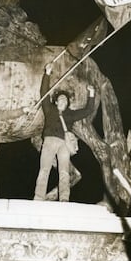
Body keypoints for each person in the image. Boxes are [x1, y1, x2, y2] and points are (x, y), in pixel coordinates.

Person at [33, 62, 95, 202]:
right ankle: (38, 197)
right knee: (44, 169)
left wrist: (91, 94)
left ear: (67, 103)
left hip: (64, 144)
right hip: (49, 141)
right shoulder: (49, 110)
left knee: (64, 172)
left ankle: (64, 199)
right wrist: (47, 73)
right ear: (56, 102)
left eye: (65, 100)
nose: (63, 100)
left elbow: (88, 110)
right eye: (60, 99)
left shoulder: (70, 114)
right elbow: (44, 92)